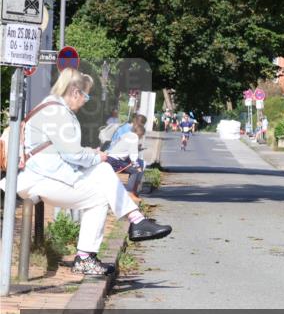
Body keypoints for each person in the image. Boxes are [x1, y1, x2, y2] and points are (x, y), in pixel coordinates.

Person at [16, 69, 172, 276]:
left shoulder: (50, 107)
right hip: (43, 178)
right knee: (101, 178)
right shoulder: (58, 113)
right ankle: (130, 226)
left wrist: (93, 155)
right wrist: (97, 157)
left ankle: (95, 251)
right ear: (74, 92)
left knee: (101, 186)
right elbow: (72, 154)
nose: (85, 101)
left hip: (46, 175)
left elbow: (64, 149)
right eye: (86, 95)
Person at [107, 114, 147, 203]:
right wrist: (137, 166)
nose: (140, 138)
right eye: (141, 136)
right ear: (140, 134)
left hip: (110, 158)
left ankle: (132, 191)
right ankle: (130, 193)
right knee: (135, 171)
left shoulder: (128, 134)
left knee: (136, 167)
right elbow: (133, 156)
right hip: (115, 161)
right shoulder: (135, 137)